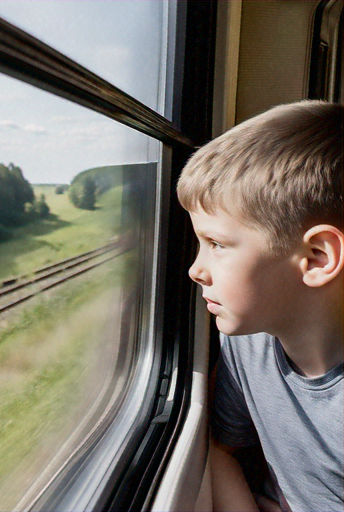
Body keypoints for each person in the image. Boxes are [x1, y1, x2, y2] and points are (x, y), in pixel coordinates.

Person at [176, 100, 343, 511]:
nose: (197, 269)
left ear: (318, 257)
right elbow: (220, 448)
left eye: (216, 244)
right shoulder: (249, 344)